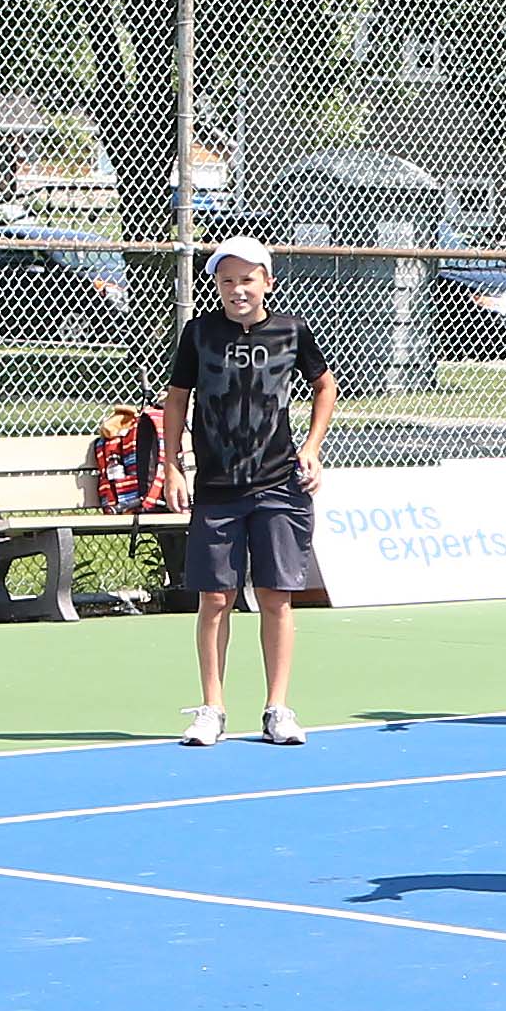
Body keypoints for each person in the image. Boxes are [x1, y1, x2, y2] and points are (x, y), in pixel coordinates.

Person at [158, 236, 332, 747]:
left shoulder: (292, 332)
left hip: (280, 485)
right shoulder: (199, 334)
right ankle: (212, 708)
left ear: (267, 284)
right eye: (227, 280)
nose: (238, 289)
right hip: (216, 486)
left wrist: (313, 447)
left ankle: (277, 708)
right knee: (215, 597)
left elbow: (325, 386)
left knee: (275, 596)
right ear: (216, 286)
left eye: (248, 279)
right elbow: (176, 400)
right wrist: (172, 466)